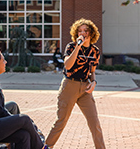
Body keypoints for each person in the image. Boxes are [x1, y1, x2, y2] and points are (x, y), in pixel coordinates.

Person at [45, 18, 106, 149]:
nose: (82, 33)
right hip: (69, 87)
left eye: (85, 30)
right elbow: (67, 65)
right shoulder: (71, 46)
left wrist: (94, 82)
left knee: (94, 123)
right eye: (80, 31)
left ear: (91, 33)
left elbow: (92, 71)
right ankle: (46, 147)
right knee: (61, 121)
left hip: (85, 89)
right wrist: (78, 46)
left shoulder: (95, 51)